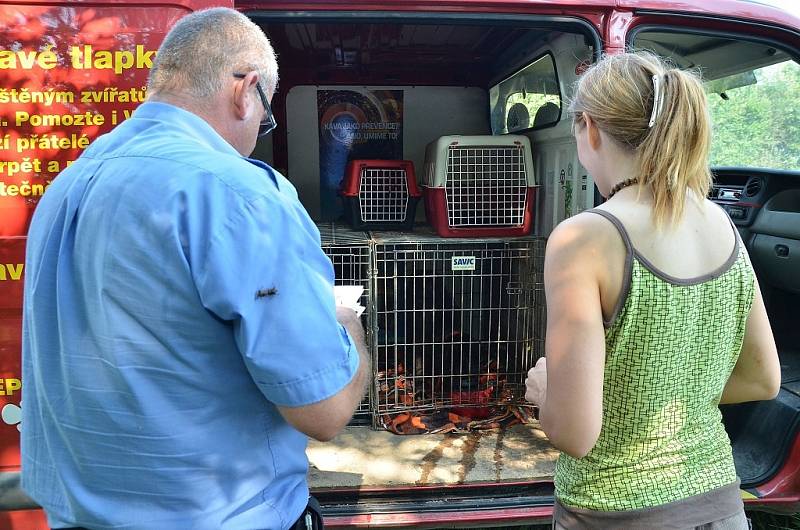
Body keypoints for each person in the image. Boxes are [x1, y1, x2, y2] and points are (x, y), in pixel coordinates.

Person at [21, 8, 369, 530]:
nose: (258, 132)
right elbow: (323, 411)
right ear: (246, 90)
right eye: (265, 116)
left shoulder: (68, 184)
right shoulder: (240, 194)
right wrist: (350, 329)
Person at [525, 51, 781, 529]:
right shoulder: (721, 222)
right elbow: (763, 379)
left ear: (591, 130)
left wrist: (546, 393)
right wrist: (658, 398)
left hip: (614, 514)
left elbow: (575, 434)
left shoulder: (584, 237)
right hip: (720, 505)